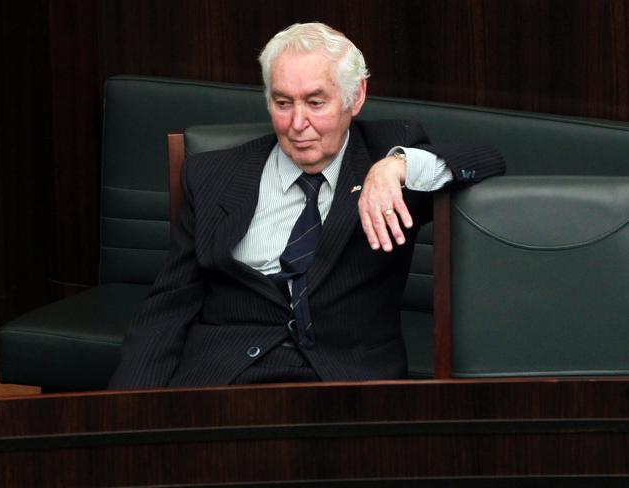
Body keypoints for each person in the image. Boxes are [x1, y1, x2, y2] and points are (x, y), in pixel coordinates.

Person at [108, 22, 505, 388]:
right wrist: (126, 414)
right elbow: (168, 306)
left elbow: (486, 159)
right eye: (283, 103)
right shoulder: (213, 175)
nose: (298, 124)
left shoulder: (388, 153)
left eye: (316, 103)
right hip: (226, 377)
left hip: (347, 380)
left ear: (356, 97)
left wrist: (395, 166)